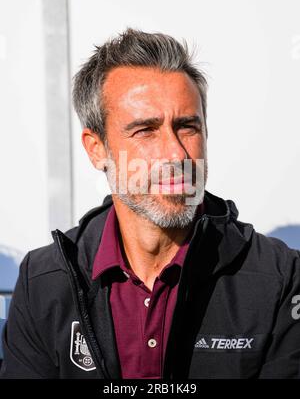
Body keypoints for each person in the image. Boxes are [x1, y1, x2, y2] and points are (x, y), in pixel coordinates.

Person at [1, 28, 300, 379]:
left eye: (188, 126)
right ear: (96, 148)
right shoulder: (44, 280)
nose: (176, 153)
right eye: (145, 130)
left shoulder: (279, 277)